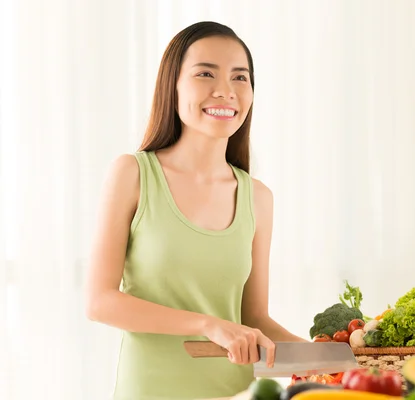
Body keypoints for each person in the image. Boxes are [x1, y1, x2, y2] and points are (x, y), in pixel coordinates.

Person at [85, 21, 306, 399]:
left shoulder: (258, 198)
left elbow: (253, 321)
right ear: (172, 86)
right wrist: (208, 324)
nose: (225, 91)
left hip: (236, 392)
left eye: (241, 78)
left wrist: (344, 358)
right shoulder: (133, 174)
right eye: (205, 73)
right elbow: (100, 301)